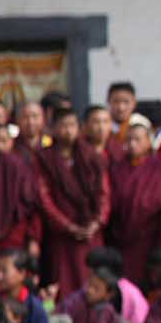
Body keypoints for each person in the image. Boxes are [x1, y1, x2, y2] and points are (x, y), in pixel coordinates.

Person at [36, 108, 111, 296]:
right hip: (62, 236)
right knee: (64, 285)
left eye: (72, 126)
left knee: (93, 280)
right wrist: (68, 226)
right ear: (52, 129)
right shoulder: (44, 158)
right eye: (63, 126)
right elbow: (44, 198)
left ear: (79, 128)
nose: (68, 131)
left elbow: (104, 193)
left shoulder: (91, 156)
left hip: (90, 233)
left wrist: (97, 222)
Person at [106, 123, 161, 285]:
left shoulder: (159, 168)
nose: (132, 144)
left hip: (149, 238)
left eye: (137, 139)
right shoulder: (117, 168)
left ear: (148, 142)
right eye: (128, 140)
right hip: (122, 237)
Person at [0, 123, 39, 252]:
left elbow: (32, 203)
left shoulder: (21, 166)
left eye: (3, 141)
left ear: (11, 142)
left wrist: (33, 237)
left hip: (16, 231)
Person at [105, 82, 138, 152]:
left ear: (134, 102)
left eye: (126, 102)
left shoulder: (142, 125)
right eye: (116, 102)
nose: (121, 108)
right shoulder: (102, 126)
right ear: (108, 101)